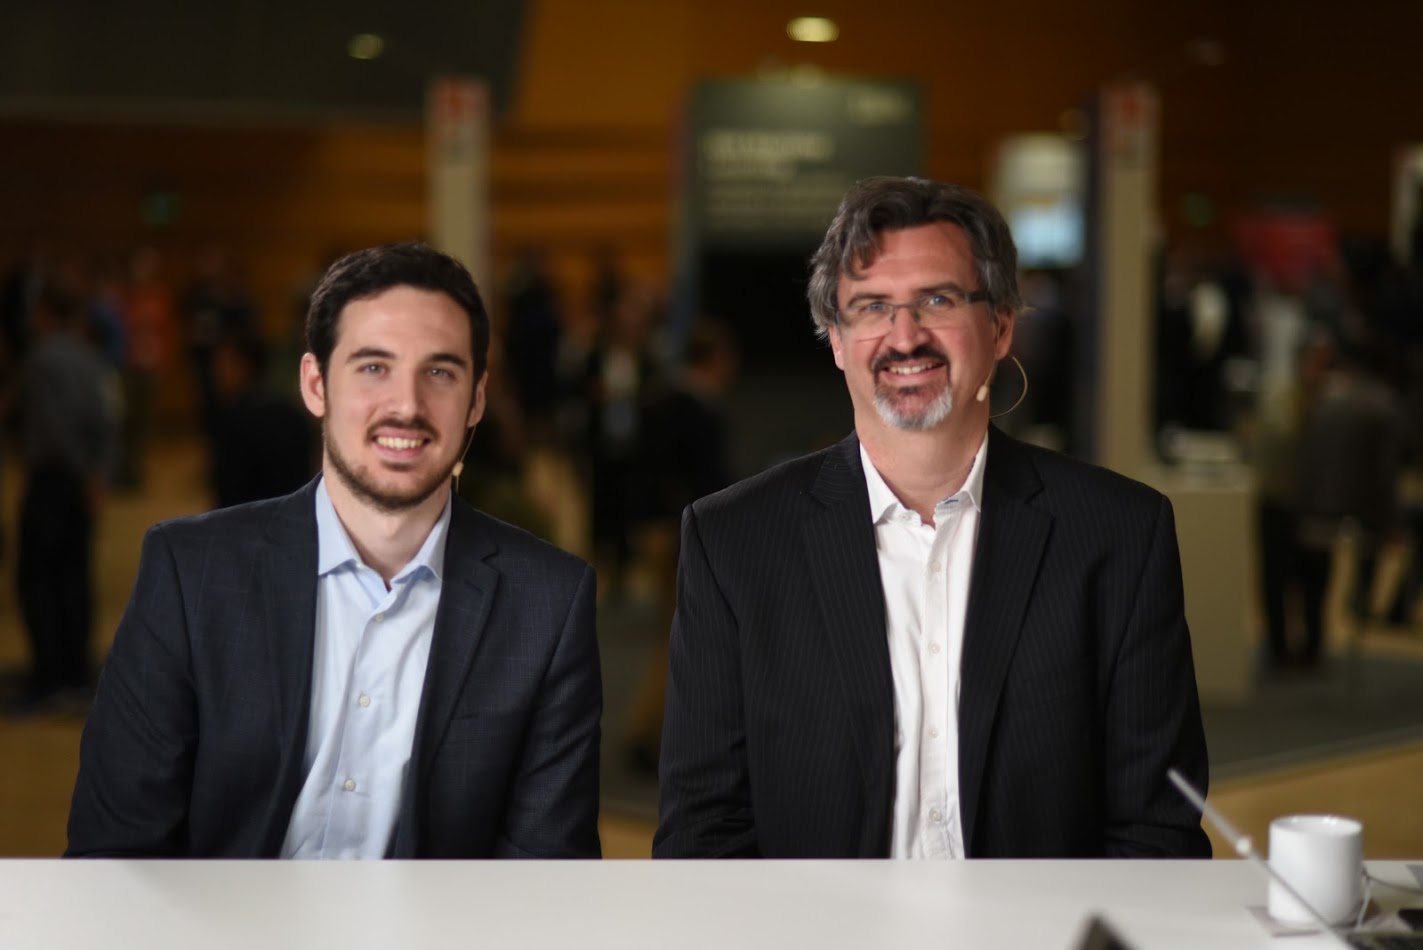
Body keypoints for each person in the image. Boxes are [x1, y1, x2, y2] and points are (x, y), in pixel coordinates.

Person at [654, 177, 1211, 859]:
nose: (904, 336)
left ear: (1000, 326)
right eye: (871, 307)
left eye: (938, 300)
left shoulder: (1119, 535)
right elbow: (702, 836)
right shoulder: (734, 543)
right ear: (836, 339)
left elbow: (1156, 832)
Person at [68, 242, 603, 859]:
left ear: (477, 400)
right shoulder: (190, 573)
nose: (406, 405)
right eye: (374, 367)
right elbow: (115, 854)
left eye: (440, 372)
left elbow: (543, 879)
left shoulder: (549, 605)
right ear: (315, 384)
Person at [13, 285, 117, 713]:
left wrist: (78, 469)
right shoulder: (90, 356)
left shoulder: (41, 359)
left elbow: (54, 428)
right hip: (83, 480)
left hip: (55, 478)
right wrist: (98, 473)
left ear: (44, 313)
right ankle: (75, 672)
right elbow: (108, 419)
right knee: (75, 575)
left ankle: (50, 676)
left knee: (37, 578)